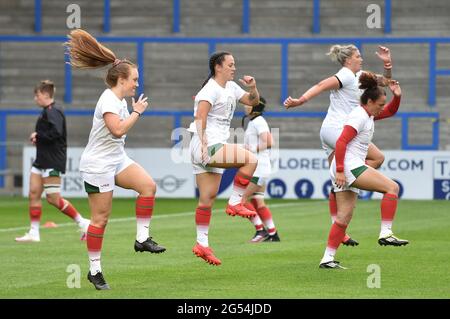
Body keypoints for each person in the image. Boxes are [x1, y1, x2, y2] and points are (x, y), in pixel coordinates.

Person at [65, 29, 166, 290]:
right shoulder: (109, 99)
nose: (136, 84)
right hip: (98, 164)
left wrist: (132, 111)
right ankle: (94, 271)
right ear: (121, 79)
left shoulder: (119, 98)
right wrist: (137, 112)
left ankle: (142, 239)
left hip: (116, 158)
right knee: (100, 220)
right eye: (134, 79)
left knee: (148, 187)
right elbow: (118, 129)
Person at [284, 45, 394, 247]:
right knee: (376, 158)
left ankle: (337, 226)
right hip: (338, 130)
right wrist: (300, 101)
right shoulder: (345, 75)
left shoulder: (360, 75)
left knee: (338, 179)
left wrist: (387, 63)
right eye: (358, 55)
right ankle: (354, 180)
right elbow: (321, 85)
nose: (361, 58)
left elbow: (386, 82)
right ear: (348, 60)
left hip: (335, 130)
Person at [319, 72, 408, 269]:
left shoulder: (368, 114)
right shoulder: (359, 116)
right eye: (379, 105)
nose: (381, 108)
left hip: (344, 166)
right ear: (369, 101)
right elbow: (341, 142)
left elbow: (391, 111)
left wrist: (397, 96)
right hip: (348, 166)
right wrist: (341, 170)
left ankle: (327, 258)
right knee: (392, 188)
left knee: (343, 218)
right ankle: (386, 233)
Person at [188, 51, 260, 266]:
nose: (234, 68)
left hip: (205, 146)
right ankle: (236, 202)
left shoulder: (231, 87)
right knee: (251, 160)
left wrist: (253, 87)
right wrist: (202, 144)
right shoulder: (210, 89)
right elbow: (199, 116)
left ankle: (202, 244)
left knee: (206, 200)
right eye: (230, 64)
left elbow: (252, 101)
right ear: (218, 67)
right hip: (207, 144)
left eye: (234, 64)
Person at [15, 80, 90, 243]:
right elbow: (49, 134)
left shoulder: (53, 111)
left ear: (44, 94)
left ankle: (83, 223)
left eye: (37, 95)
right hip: (41, 160)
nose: (35, 98)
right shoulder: (46, 111)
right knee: (33, 193)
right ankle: (34, 232)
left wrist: (38, 136)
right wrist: (38, 137)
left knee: (53, 198)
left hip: (52, 161)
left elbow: (56, 133)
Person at [241, 97, 280, 242]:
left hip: (258, 168)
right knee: (258, 200)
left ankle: (260, 230)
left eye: (248, 104)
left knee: (241, 199)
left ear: (254, 107)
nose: (245, 106)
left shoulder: (258, 122)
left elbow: (270, 141)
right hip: (260, 167)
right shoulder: (255, 122)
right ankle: (273, 234)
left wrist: (252, 149)